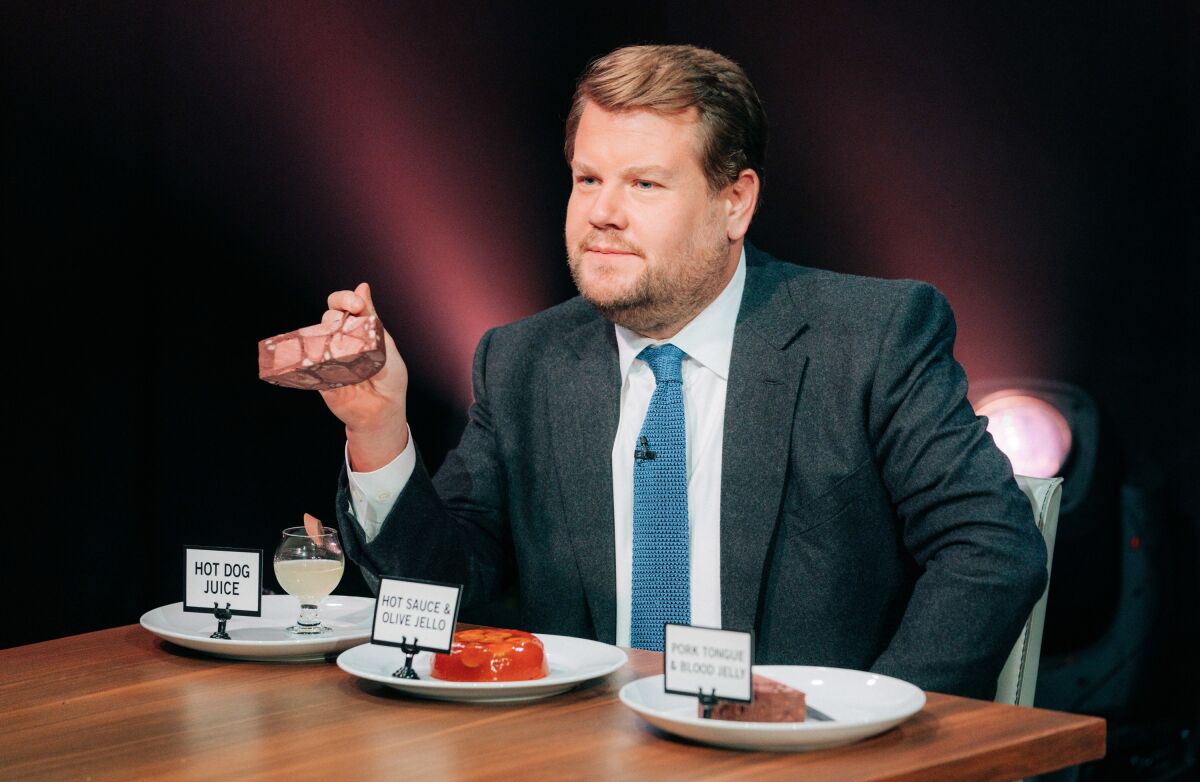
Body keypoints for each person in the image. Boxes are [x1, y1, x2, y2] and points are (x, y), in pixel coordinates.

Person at [318, 44, 1047, 702]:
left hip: (806, 762)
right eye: (588, 178)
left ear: (735, 202)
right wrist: (379, 430)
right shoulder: (524, 361)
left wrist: (864, 724)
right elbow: (447, 594)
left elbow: (990, 550)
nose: (601, 212)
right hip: (586, 763)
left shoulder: (870, 338)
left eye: (644, 185)